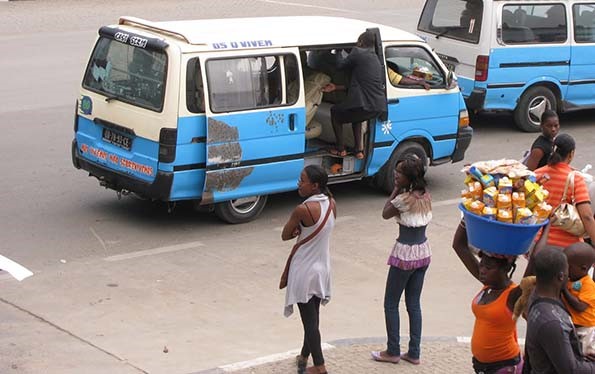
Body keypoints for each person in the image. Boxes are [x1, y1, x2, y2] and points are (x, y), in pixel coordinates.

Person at [371, 154, 431, 365]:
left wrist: (396, 190)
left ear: (410, 176)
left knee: (390, 303)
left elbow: (385, 213)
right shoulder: (425, 195)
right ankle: (414, 352)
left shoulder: (403, 200)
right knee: (414, 304)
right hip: (423, 252)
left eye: (399, 173)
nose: (395, 176)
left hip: (404, 253)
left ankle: (393, 350)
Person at [282, 165, 336, 374]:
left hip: (304, 270)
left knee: (310, 322)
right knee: (313, 316)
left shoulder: (303, 209)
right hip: (322, 267)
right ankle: (304, 356)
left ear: (314, 186)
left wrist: (297, 228)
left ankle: (320, 365)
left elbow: (286, 235)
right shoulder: (332, 204)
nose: (299, 183)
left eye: (302, 180)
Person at [452, 221, 526, 373]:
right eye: (482, 265)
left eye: (488, 267)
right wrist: (466, 218)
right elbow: (459, 246)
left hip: (504, 366)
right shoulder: (488, 285)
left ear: (505, 269)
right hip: (481, 367)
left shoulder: (512, 295)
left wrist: (545, 229)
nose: (482, 270)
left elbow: (535, 263)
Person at [524, 246, 595, 372]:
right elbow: (570, 369)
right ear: (561, 276)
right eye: (568, 268)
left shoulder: (535, 297)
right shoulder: (552, 322)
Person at [322, 30, 387, 160]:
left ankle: (340, 149)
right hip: (379, 106)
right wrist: (336, 87)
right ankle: (359, 151)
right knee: (356, 117)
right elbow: (362, 83)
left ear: (360, 42)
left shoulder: (358, 52)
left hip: (363, 103)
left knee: (335, 111)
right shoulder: (376, 58)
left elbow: (340, 65)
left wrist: (338, 50)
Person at [535, 133, 595, 247]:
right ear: (571, 154)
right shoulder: (575, 179)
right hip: (566, 246)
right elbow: (586, 216)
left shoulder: (537, 174)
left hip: (538, 242)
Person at [562, 242, 595, 355]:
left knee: (584, 354)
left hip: (586, 329)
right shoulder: (571, 279)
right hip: (574, 326)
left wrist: (564, 290)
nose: (565, 270)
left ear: (583, 268)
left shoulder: (588, 284)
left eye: (568, 267)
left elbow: (580, 307)